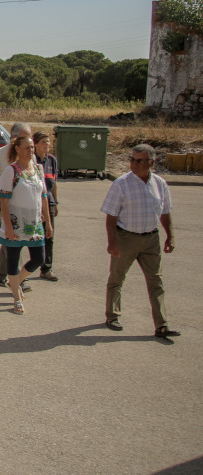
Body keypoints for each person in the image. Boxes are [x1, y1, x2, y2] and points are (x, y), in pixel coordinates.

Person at [101, 145, 179, 339]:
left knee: (156, 281)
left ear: (151, 163)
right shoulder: (121, 184)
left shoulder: (160, 184)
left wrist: (170, 235)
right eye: (132, 159)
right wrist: (112, 243)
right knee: (117, 279)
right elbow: (111, 217)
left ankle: (161, 325)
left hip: (151, 239)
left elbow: (165, 212)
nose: (133, 164)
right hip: (126, 238)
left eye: (139, 160)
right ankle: (113, 316)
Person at [0, 136, 52, 315]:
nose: (31, 151)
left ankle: (16, 282)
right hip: (15, 224)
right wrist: (9, 227)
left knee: (39, 258)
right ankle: (16, 297)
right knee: (13, 260)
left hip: (34, 225)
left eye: (32, 148)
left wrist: (48, 223)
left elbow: (44, 197)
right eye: (27, 147)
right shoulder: (10, 171)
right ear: (17, 149)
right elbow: (4, 201)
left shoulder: (38, 169)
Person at [0, 123, 34, 288]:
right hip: (6, 204)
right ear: (14, 138)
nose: (30, 144)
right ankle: (17, 278)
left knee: (12, 239)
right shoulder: (1, 155)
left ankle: (1, 273)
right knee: (14, 239)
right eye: (25, 138)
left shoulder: (31, 154)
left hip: (27, 206)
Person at [33, 131, 59, 281]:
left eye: (48, 142)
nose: (47, 145)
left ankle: (46, 268)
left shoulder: (52, 160)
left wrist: (56, 202)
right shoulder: (31, 160)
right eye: (43, 142)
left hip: (48, 201)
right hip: (34, 203)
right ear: (35, 144)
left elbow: (54, 183)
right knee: (29, 235)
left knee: (49, 235)